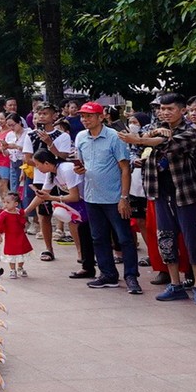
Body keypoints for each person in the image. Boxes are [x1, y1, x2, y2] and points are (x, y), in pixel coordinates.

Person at [125, 92, 196, 304]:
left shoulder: (190, 133)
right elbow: (140, 148)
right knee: (165, 239)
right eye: (161, 109)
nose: (164, 112)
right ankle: (175, 284)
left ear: (182, 110)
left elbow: (167, 145)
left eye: (170, 109)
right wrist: (148, 135)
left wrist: (142, 138)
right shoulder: (152, 129)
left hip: (186, 194)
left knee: (193, 240)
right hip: (159, 192)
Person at [72, 102, 138, 293]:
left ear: (101, 117)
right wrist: (80, 169)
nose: (85, 120)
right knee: (98, 238)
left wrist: (124, 197)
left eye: (89, 116)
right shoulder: (81, 137)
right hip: (92, 196)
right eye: (82, 116)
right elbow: (83, 164)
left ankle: (131, 276)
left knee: (124, 238)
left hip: (114, 197)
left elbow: (125, 168)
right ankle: (108, 275)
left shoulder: (114, 137)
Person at [27, 147, 83, 267]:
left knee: (77, 224)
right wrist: (26, 211)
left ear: (46, 163)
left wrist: (52, 198)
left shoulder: (66, 169)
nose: (37, 168)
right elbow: (42, 194)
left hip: (85, 199)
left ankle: (83, 253)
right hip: (75, 200)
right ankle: (81, 253)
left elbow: (75, 196)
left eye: (38, 164)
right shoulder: (51, 173)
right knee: (72, 221)